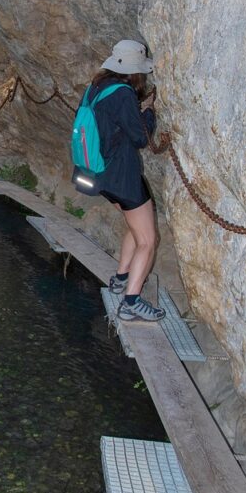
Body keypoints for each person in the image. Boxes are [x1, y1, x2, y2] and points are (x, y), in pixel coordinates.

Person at [84, 39, 165, 322]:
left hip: (100, 176)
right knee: (148, 240)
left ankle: (120, 278)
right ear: (135, 71)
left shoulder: (96, 87)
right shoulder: (123, 94)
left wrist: (135, 110)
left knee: (135, 225)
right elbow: (141, 137)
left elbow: (111, 123)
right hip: (122, 177)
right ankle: (131, 301)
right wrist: (150, 113)